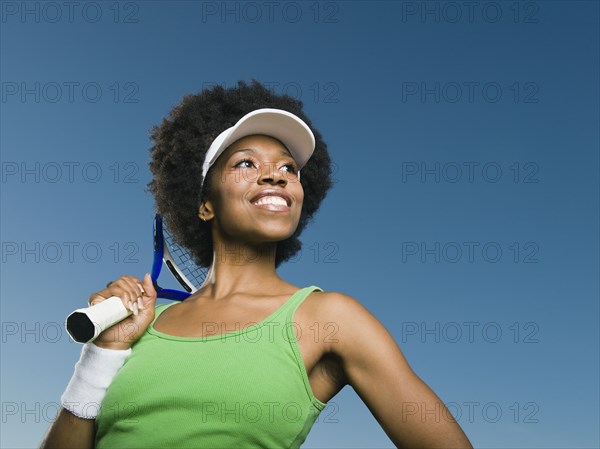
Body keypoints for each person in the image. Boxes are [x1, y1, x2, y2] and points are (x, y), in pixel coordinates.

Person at [40, 80, 473, 448]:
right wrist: (105, 351)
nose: (277, 175)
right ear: (205, 205)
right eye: (246, 163)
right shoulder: (139, 323)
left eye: (289, 168)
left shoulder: (331, 319)